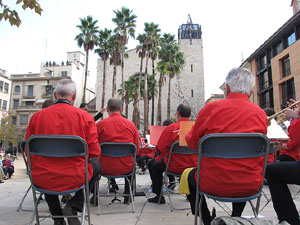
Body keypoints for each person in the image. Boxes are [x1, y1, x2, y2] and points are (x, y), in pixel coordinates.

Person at [185, 68, 268, 225]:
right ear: (251, 92)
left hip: (212, 182)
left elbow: (193, 143)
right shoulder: (260, 114)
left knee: (189, 177)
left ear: (227, 88)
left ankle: (207, 220)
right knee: (242, 173)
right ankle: (235, 217)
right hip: (250, 184)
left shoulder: (210, 109)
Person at [26, 79, 101, 225]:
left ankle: (57, 217)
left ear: (55, 95)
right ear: (74, 97)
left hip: (42, 178)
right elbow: (94, 152)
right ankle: (74, 205)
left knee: (45, 174)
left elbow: (28, 151)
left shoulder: (36, 117)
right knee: (96, 166)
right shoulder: (85, 117)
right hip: (75, 176)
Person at [148, 104, 198, 204]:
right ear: (190, 115)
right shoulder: (196, 128)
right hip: (194, 166)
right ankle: (191, 194)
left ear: (177, 114)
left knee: (154, 166)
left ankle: (158, 196)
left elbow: (161, 148)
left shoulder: (171, 128)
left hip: (174, 166)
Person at [96, 98, 140, 204]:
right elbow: (136, 150)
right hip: (126, 167)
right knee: (132, 165)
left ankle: (94, 197)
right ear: (121, 109)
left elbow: (93, 148)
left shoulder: (99, 125)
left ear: (107, 109)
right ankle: (128, 196)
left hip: (104, 167)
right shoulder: (131, 125)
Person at [265, 99, 300, 225]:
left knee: (271, 170)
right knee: (273, 168)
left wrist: (296, 117)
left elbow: (295, 140)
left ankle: (290, 220)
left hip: (291, 156)